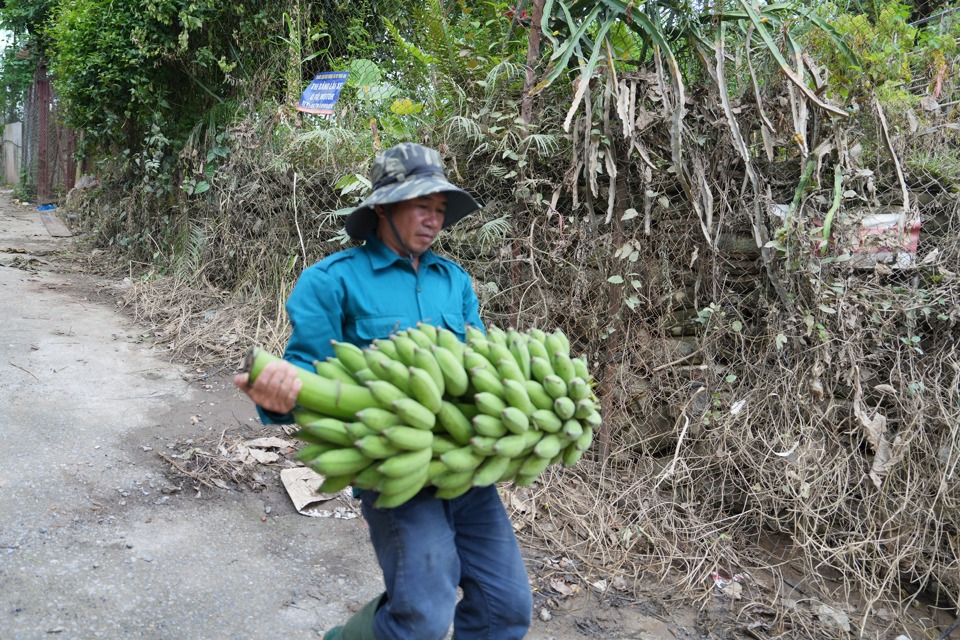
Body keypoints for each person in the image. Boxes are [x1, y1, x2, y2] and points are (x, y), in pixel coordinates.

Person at [233, 142, 533, 639]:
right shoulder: (332, 282)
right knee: (425, 612)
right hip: (394, 465)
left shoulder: (453, 280)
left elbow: (483, 361)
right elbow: (305, 373)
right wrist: (276, 396)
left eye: (440, 210)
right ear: (381, 209)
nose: (434, 220)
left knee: (507, 605)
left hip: (466, 461)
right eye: (422, 206)